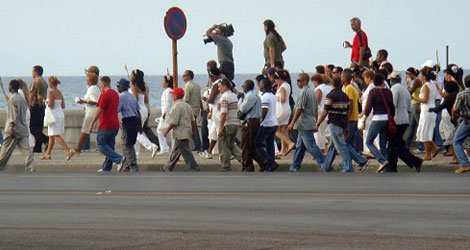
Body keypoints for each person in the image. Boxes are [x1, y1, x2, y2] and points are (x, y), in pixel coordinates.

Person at [288, 73, 325, 172]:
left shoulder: (304, 92)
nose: (297, 83)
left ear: (305, 81)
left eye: (299, 80)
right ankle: (295, 166)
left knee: (311, 145)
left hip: (305, 123)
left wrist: (292, 123)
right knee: (300, 146)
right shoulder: (312, 91)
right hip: (308, 122)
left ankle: (324, 163)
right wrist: (316, 121)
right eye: (297, 80)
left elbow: (299, 109)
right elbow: (316, 109)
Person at [387, 72, 423, 172]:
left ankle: (415, 161)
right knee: (394, 145)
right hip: (405, 119)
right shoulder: (405, 89)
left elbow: (392, 104)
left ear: (391, 80)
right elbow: (410, 107)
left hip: (396, 120)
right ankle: (392, 167)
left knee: (395, 146)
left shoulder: (394, 89)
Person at [316, 76, 352, 172]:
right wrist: (348, 126)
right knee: (332, 146)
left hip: (335, 123)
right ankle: (326, 166)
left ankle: (348, 167)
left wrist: (318, 123)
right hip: (343, 123)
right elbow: (348, 112)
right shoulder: (345, 96)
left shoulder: (330, 96)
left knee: (341, 146)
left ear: (332, 84)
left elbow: (325, 111)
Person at [89, 76, 123, 172]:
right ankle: (106, 167)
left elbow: (99, 109)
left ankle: (119, 159)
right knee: (110, 146)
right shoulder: (115, 94)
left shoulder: (105, 95)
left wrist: (92, 123)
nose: (100, 87)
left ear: (103, 84)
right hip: (114, 124)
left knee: (100, 144)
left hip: (105, 124)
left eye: (100, 85)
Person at [362, 73, 394, 173]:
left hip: (377, 119)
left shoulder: (373, 92)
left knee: (369, 141)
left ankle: (382, 160)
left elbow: (368, 108)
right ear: (383, 81)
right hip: (386, 119)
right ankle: (386, 168)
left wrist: (364, 119)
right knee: (383, 143)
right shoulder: (388, 92)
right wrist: (391, 118)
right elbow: (392, 107)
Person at [162, 88, 200, 171]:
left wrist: (167, 130)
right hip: (187, 130)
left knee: (185, 151)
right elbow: (193, 120)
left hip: (180, 132)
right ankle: (168, 166)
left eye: (173, 95)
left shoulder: (176, 106)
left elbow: (174, 122)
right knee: (176, 151)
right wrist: (193, 132)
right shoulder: (187, 105)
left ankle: (194, 167)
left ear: (176, 96)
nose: (172, 96)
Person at [0, 80, 34, 171]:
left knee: (6, 150)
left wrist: (11, 128)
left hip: (14, 128)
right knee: (26, 149)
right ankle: (30, 166)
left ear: (11, 88)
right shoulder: (22, 99)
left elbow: (13, 115)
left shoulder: (12, 99)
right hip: (22, 127)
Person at [40, 76, 74, 161]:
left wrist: (44, 100)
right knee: (51, 135)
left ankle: (68, 151)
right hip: (60, 114)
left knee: (55, 134)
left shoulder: (51, 92)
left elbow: (51, 105)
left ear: (50, 83)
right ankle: (48, 154)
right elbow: (63, 106)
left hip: (54, 115)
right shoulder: (59, 92)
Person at [412, 68, 441, 161]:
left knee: (424, 132)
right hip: (430, 109)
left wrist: (414, 98)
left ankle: (428, 153)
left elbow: (425, 99)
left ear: (424, 76)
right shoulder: (432, 84)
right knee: (426, 132)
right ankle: (434, 147)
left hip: (427, 111)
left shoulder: (426, 86)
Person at [238, 79, 265, 171]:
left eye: (243, 85)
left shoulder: (249, 96)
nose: (242, 87)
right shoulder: (257, 97)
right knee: (251, 145)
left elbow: (243, 109)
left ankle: (248, 166)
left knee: (245, 145)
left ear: (248, 86)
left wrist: (240, 100)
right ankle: (263, 162)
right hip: (256, 122)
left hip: (249, 123)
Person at [130, 69, 158, 158]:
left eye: (131, 74)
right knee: (138, 132)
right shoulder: (142, 87)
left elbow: (135, 100)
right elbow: (146, 99)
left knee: (133, 132)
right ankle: (136, 154)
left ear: (134, 77)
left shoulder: (134, 87)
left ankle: (151, 146)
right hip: (144, 109)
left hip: (137, 110)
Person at [74, 66, 101, 154]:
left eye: (87, 80)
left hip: (91, 112)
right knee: (96, 130)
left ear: (90, 81)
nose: (86, 81)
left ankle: (79, 148)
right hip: (93, 111)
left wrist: (83, 101)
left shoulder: (92, 89)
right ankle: (99, 147)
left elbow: (95, 101)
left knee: (84, 130)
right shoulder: (96, 88)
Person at [217, 79, 243, 171]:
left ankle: (226, 166)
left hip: (228, 124)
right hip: (235, 123)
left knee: (223, 146)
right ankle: (244, 161)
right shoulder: (234, 96)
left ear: (225, 87)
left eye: (220, 87)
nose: (219, 89)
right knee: (232, 145)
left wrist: (220, 128)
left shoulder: (224, 97)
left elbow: (223, 113)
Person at [254, 78, 279, 171]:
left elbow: (264, 111)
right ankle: (271, 164)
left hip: (267, 124)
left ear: (263, 85)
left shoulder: (265, 97)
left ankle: (270, 161)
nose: (258, 86)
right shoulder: (272, 95)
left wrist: (260, 121)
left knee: (257, 143)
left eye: (260, 84)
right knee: (269, 144)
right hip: (274, 123)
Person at [116, 78, 140, 172]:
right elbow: (138, 111)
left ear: (122, 87)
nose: (117, 88)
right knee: (129, 142)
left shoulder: (121, 96)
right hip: (135, 120)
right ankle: (126, 165)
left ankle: (133, 165)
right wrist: (140, 125)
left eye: (118, 86)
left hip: (127, 120)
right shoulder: (132, 96)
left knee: (127, 144)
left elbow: (117, 109)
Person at [274, 70, 295, 157]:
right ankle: (283, 149)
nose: (275, 80)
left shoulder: (283, 87)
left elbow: (282, 99)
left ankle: (289, 143)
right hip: (286, 109)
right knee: (282, 130)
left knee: (274, 130)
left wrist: (274, 98)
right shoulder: (286, 85)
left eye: (276, 78)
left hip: (281, 109)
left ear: (280, 78)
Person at [452, 75, 470, 173]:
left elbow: (455, 109)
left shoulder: (461, 94)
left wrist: (454, 116)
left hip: (467, 120)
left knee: (457, 141)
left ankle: (465, 164)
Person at [29, 65, 49, 153]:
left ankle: (45, 139)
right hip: (42, 106)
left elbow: (32, 94)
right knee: (39, 127)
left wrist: (28, 104)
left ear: (36, 72)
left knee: (32, 127)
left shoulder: (35, 81)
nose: (32, 73)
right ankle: (37, 148)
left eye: (33, 71)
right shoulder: (44, 82)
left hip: (35, 106)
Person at [182, 70, 203, 152]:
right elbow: (199, 98)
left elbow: (186, 99)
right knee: (193, 126)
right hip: (196, 108)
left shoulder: (188, 86)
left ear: (189, 76)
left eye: (184, 75)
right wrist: (201, 108)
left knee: (192, 127)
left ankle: (197, 144)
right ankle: (196, 144)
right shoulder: (196, 85)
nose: (183, 77)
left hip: (190, 109)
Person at [404, 67, 424, 151]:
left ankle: (421, 146)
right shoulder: (418, 80)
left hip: (416, 104)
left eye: (408, 74)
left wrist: (407, 84)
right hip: (415, 104)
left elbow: (410, 92)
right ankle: (407, 144)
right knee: (412, 125)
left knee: (419, 125)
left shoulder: (416, 81)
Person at [206, 67, 223, 159]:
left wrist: (206, 99)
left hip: (217, 111)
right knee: (213, 132)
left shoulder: (216, 84)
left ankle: (223, 152)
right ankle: (209, 151)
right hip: (215, 111)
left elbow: (212, 99)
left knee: (219, 132)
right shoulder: (221, 82)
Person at [311, 74, 332, 151]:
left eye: (313, 82)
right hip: (328, 114)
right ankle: (327, 149)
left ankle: (322, 150)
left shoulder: (318, 89)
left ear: (316, 81)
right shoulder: (328, 88)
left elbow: (316, 102)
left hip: (321, 114)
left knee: (318, 133)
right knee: (325, 133)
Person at [359, 70, 377, 158]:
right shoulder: (371, 87)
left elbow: (369, 102)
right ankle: (369, 150)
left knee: (368, 131)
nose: (365, 80)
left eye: (365, 78)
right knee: (367, 131)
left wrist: (363, 113)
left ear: (369, 78)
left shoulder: (371, 87)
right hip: (369, 112)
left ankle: (370, 150)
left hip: (369, 113)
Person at [156, 75, 174, 155]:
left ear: (167, 83)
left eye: (163, 81)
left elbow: (167, 103)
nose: (162, 83)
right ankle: (168, 148)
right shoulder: (170, 90)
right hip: (169, 114)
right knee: (169, 131)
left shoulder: (167, 91)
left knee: (160, 130)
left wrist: (164, 114)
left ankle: (165, 147)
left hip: (167, 114)